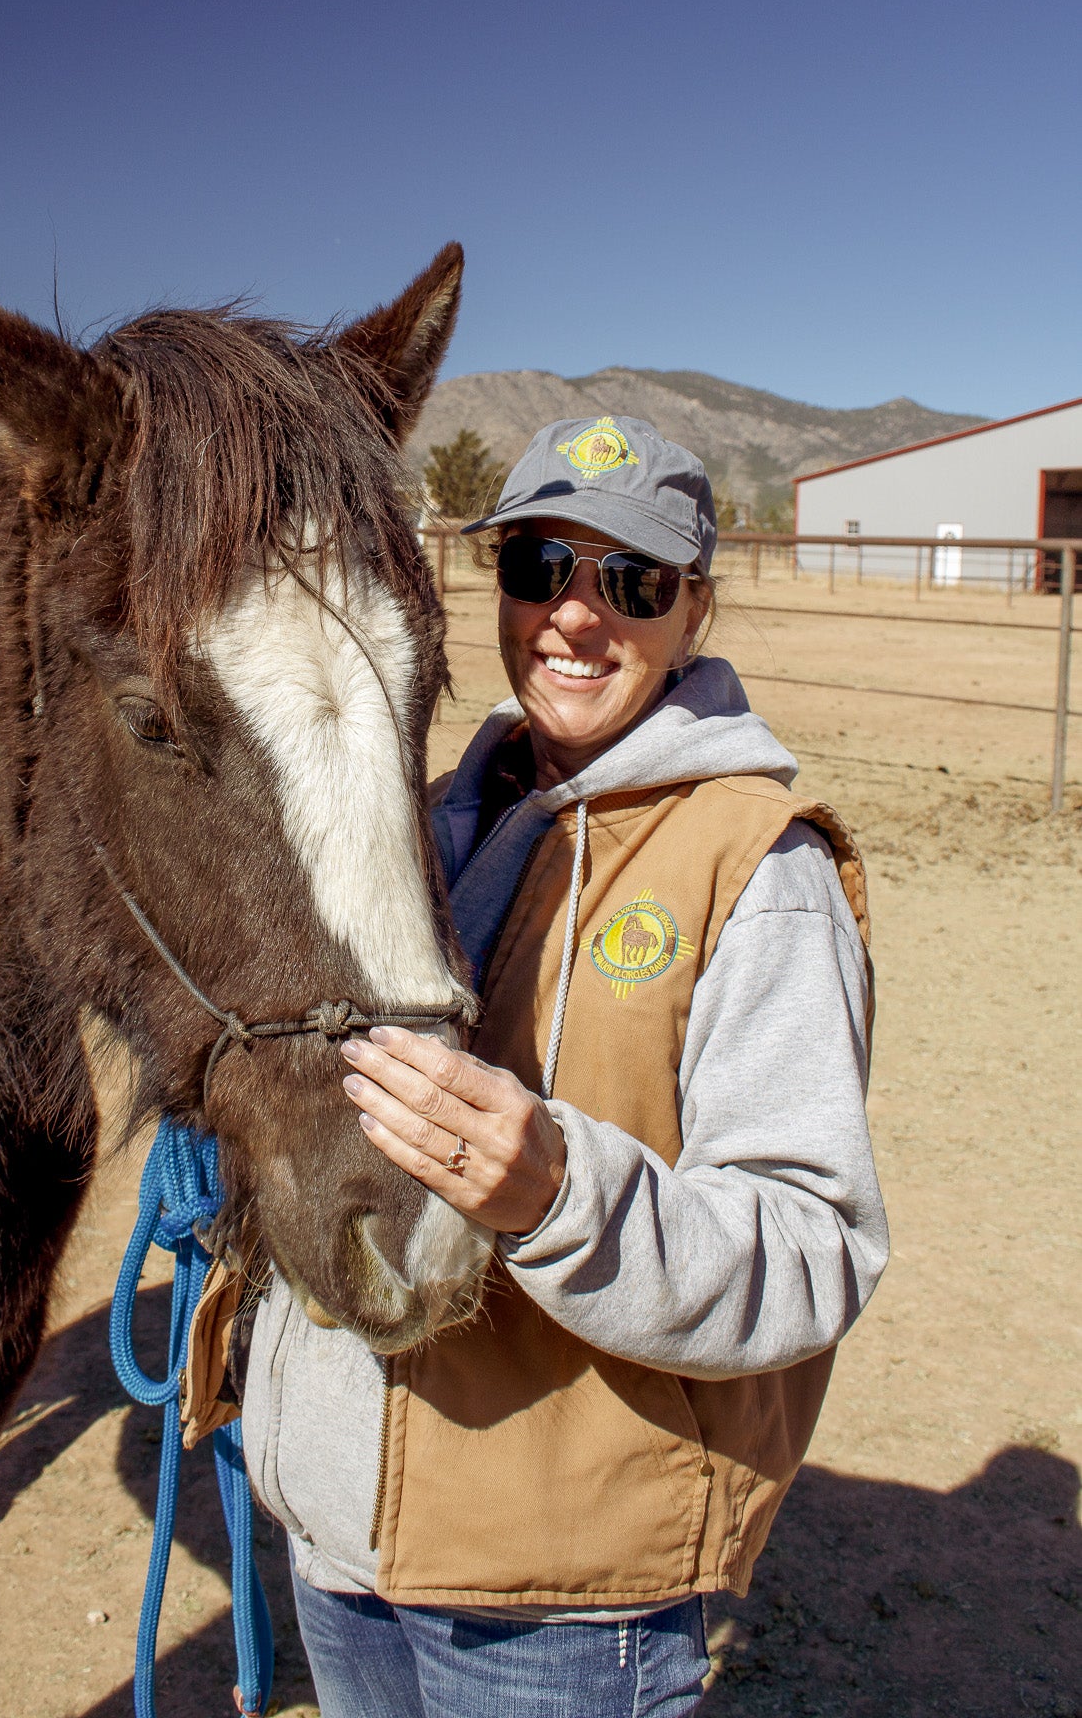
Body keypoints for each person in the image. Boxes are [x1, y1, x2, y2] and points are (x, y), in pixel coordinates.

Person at [239, 414, 888, 1718]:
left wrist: (553, 1191)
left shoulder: (758, 871)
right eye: (540, 564)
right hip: (340, 1537)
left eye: (632, 581)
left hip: (560, 1590)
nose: (575, 617)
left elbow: (809, 1253)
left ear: (693, 607)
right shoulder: (414, 826)